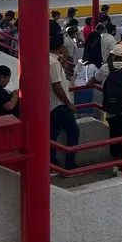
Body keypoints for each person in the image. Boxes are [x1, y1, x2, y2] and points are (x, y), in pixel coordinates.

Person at [49, 36, 80, 170]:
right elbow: (57, 85)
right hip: (59, 105)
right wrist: (68, 103)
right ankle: (70, 164)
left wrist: (63, 60)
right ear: (61, 48)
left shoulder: (49, 60)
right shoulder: (53, 63)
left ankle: (52, 163)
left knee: (52, 135)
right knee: (74, 131)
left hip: (49, 105)